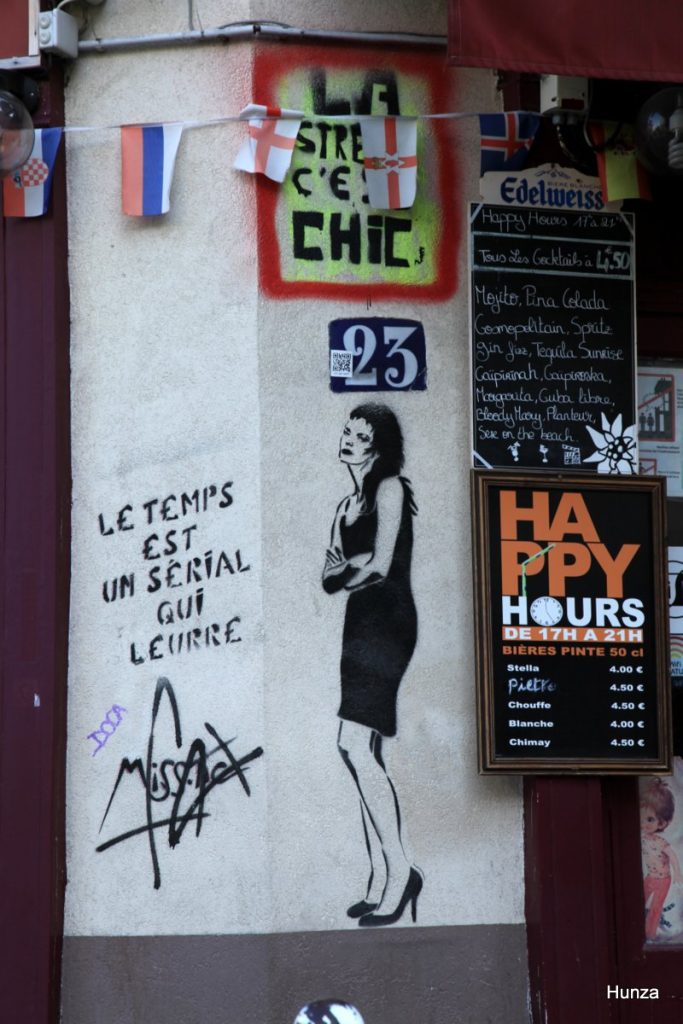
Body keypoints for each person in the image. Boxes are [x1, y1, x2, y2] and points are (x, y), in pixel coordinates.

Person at [323, 403, 422, 927]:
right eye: (347, 429)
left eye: (360, 434)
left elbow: (380, 566)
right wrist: (348, 571)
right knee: (357, 750)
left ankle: (398, 871)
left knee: (354, 745)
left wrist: (349, 570)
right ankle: (381, 873)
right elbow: (329, 575)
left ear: (378, 446)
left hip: (387, 625)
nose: (349, 438)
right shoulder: (345, 504)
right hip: (359, 627)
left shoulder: (391, 489)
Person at [641, 778, 683, 940]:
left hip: (663, 880)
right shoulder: (642, 838)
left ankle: (650, 934)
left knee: (656, 907)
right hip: (650, 877)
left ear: (662, 823)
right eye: (642, 818)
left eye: (650, 819)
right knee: (641, 900)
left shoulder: (660, 842)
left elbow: (672, 855)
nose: (644, 824)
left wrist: (678, 873)